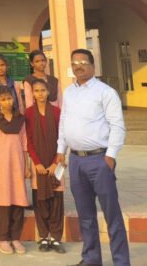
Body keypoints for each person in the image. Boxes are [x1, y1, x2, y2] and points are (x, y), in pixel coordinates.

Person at [56, 48, 130, 266]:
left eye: (83, 62)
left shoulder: (105, 92)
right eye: (74, 63)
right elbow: (64, 122)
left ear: (92, 66)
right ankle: (91, 259)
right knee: (85, 215)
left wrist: (110, 156)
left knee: (111, 213)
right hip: (76, 161)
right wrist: (61, 149)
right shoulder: (69, 92)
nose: (78, 66)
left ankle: (121, 261)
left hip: (99, 160)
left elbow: (117, 126)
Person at [0, 85, 30, 255]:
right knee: (3, 200)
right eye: (3, 99)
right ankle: (3, 239)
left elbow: (24, 144)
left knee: (18, 199)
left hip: (17, 163)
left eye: (9, 98)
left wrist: (26, 166)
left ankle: (15, 238)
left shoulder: (20, 120)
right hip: (0, 164)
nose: (7, 102)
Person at [24, 78, 65, 254]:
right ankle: (43, 236)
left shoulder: (56, 112)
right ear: (32, 94)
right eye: (36, 91)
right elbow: (29, 140)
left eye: (43, 90)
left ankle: (55, 237)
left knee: (56, 200)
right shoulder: (28, 113)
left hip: (56, 163)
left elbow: (62, 138)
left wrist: (55, 163)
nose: (40, 94)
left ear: (48, 92)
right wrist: (37, 163)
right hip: (38, 165)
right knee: (40, 201)